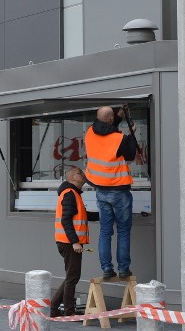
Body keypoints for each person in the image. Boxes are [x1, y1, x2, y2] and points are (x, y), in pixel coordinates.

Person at [84, 105, 137, 279]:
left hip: (101, 190)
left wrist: (118, 118)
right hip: (119, 190)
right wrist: (131, 135)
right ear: (111, 119)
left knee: (105, 231)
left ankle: (107, 268)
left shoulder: (90, 132)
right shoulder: (120, 138)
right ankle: (123, 269)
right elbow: (129, 155)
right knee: (123, 230)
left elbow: (104, 132)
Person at [50, 166, 97, 317]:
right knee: (72, 277)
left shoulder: (73, 194)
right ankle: (69, 311)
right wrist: (75, 242)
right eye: (79, 173)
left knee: (71, 276)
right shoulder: (70, 193)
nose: (83, 175)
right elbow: (66, 220)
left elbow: (83, 216)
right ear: (72, 178)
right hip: (69, 243)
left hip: (68, 242)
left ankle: (54, 308)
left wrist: (105, 214)